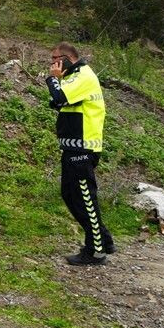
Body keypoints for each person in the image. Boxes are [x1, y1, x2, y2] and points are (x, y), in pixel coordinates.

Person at [46, 42, 114, 266]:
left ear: (67, 58)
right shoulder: (73, 77)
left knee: (85, 199)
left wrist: (53, 79)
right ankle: (103, 239)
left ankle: (95, 251)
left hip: (83, 148)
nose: (53, 63)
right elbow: (57, 102)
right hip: (73, 147)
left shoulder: (83, 75)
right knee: (70, 195)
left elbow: (59, 98)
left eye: (56, 58)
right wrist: (57, 84)